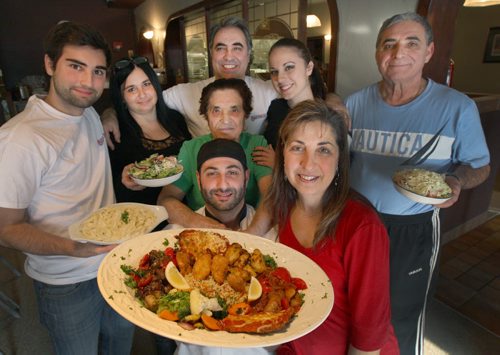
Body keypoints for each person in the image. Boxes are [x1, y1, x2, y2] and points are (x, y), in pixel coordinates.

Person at [346, 12, 490, 355]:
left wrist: (455, 182)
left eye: (412, 43)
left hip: (413, 229)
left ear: (429, 52)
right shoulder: (355, 103)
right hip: (357, 224)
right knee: (356, 305)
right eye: (389, 44)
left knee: (402, 314)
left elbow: (479, 165)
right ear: (378, 52)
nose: (398, 53)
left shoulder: (457, 108)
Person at [0, 21, 134, 355]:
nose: (88, 82)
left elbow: (92, 108)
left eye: (98, 71)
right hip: (66, 279)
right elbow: (6, 229)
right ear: (49, 64)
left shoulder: (87, 112)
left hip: (116, 261)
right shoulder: (22, 139)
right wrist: (75, 248)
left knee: (120, 346)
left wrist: (108, 113)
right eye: (76, 67)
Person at [265, 100, 398, 354]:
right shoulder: (282, 207)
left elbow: (369, 338)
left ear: (340, 159)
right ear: (282, 155)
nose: (308, 162)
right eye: (297, 148)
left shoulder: (362, 227)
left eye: (323, 150)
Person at [103, 16, 277, 144]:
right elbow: (143, 99)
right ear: (211, 53)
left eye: (237, 48)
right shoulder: (185, 93)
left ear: (249, 53)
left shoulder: (268, 91)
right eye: (220, 48)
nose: (228, 56)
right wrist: (109, 115)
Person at [141, 78, 272, 229]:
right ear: (206, 116)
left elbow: (270, 197)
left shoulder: (257, 145)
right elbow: (166, 199)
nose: (225, 119)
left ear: (245, 115)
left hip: (250, 227)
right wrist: (201, 224)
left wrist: (250, 235)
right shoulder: (191, 149)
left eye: (234, 110)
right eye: (216, 110)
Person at [252, 37, 349, 168]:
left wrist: (279, 164)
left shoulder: (326, 115)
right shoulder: (275, 107)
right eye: (274, 71)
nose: (280, 78)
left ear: (308, 68)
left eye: (289, 67)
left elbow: (332, 168)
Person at [108, 55, 191, 205]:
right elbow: (112, 185)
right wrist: (125, 180)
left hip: (186, 207)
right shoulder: (116, 132)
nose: (142, 94)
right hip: (147, 216)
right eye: (131, 89)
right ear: (122, 98)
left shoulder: (176, 118)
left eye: (146, 84)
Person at [167, 138, 276, 240]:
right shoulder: (174, 235)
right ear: (198, 179)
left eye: (232, 173)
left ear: (246, 178)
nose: (223, 186)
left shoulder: (274, 234)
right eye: (212, 173)